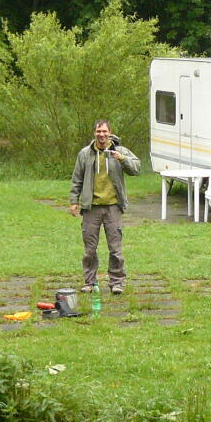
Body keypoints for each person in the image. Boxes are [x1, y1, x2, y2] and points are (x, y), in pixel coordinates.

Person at [69, 119, 141, 294]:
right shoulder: (85, 154)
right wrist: (74, 201)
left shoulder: (119, 151)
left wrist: (122, 159)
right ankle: (89, 282)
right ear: (94, 133)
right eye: (98, 131)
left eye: (104, 131)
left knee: (115, 250)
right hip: (91, 207)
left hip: (113, 207)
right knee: (89, 250)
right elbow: (77, 179)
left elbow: (136, 168)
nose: (101, 135)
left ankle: (117, 283)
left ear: (110, 133)